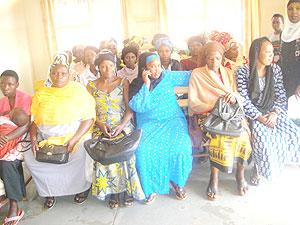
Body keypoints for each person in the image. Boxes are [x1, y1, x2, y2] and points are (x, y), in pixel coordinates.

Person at [24, 53, 95, 210]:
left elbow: (88, 118)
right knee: (30, 155)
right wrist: (34, 139)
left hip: (73, 136)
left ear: (69, 75)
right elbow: (34, 121)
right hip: (46, 137)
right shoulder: (41, 93)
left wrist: (75, 139)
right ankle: (49, 191)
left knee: (82, 150)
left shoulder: (78, 90)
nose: (59, 76)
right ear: (50, 74)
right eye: (55, 73)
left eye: (63, 73)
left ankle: (82, 188)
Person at [189, 42, 252, 200]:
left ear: (222, 58)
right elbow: (194, 103)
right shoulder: (197, 74)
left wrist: (233, 97)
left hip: (230, 114)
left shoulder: (228, 72)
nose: (214, 62)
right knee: (220, 136)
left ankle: (240, 174)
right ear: (205, 58)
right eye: (210, 59)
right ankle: (214, 178)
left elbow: (237, 94)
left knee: (243, 135)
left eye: (217, 58)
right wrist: (217, 104)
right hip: (209, 115)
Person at [129, 52, 192, 204]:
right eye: (152, 67)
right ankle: (149, 188)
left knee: (180, 146)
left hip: (173, 121)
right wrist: (146, 84)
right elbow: (138, 107)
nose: (156, 70)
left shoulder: (168, 76)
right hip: (149, 124)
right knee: (143, 149)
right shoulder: (137, 84)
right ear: (145, 69)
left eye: (158, 66)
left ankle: (177, 182)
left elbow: (191, 75)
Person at [236, 37, 300, 184]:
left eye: (273, 52)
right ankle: (257, 168)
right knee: (263, 140)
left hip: (272, 111)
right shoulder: (243, 72)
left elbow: (281, 95)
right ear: (257, 52)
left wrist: (275, 113)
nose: (272, 55)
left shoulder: (275, 70)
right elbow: (244, 100)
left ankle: (275, 167)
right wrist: (259, 117)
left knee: (294, 134)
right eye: (268, 52)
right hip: (252, 113)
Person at [87, 50, 144, 209]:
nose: (107, 70)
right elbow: (89, 112)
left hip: (121, 124)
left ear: (115, 66)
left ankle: (126, 189)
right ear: (98, 67)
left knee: (125, 152)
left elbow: (129, 109)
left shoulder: (123, 82)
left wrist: (122, 125)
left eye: (110, 66)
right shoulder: (91, 85)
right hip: (101, 125)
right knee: (104, 152)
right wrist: (100, 124)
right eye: (103, 67)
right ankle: (113, 192)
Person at [0, 70, 31, 225]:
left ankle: (14, 205)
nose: (6, 87)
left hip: (22, 139)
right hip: (5, 136)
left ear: (17, 84)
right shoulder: (2, 102)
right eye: (2, 84)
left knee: (7, 163)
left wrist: (7, 138)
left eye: (10, 84)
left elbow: (26, 125)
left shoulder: (26, 99)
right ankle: (3, 193)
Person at [281, 0, 300, 99]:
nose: (294, 12)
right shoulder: (284, 33)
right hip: (285, 82)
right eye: (290, 9)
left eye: (298, 8)